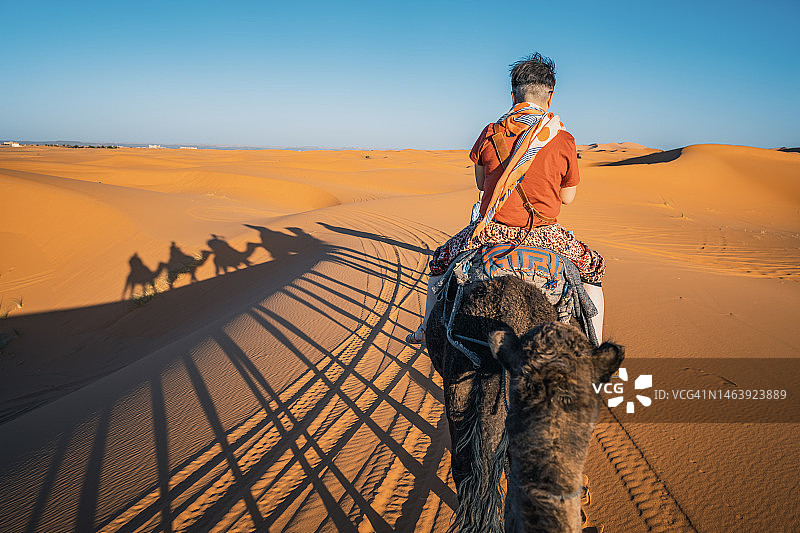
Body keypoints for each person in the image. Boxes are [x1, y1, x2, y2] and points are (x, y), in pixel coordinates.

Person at [406, 52, 606, 344]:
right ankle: (595, 345)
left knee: (439, 263)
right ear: (550, 97)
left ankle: (426, 329)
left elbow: (479, 183)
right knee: (594, 268)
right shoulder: (562, 138)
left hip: (489, 232)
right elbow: (568, 198)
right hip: (544, 235)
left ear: (513, 96)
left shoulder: (491, 132)